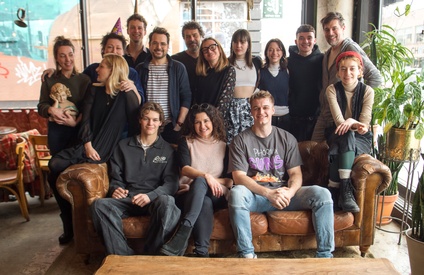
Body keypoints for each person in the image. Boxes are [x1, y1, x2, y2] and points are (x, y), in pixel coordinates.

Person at [228, 90, 334, 259]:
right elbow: (238, 177)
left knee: (322, 194)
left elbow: (295, 174)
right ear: (251, 112)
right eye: (256, 108)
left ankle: (325, 256)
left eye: (265, 107)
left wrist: (290, 192)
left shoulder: (287, 138)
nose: (261, 112)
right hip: (257, 196)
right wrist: (268, 193)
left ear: (273, 110)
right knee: (236, 193)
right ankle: (247, 255)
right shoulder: (240, 140)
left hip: (284, 195)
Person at [48, 54, 141, 245]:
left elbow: (135, 124)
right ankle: (67, 220)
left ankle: (105, 228)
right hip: (88, 145)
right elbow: (86, 120)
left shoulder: (126, 95)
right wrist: (87, 144)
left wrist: (135, 91)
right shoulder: (94, 90)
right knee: (54, 165)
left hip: (110, 149)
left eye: (102, 67)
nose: (97, 70)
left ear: (113, 70)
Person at [91, 102, 180, 255]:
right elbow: (116, 176)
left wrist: (150, 196)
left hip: (153, 200)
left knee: (168, 202)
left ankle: (150, 253)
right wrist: (115, 189)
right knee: (99, 205)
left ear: (160, 123)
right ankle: (123, 256)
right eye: (146, 119)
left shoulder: (168, 150)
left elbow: (171, 184)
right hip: (128, 199)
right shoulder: (123, 146)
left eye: (154, 120)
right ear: (140, 120)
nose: (150, 123)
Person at [37, 36, 91, 245]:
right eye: (62, 56)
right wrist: (49, 109)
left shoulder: (84, 80)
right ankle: (67, 224)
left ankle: (82, 225)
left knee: (77, 179)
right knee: (56, 177)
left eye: (70, 54)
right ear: (56, 59)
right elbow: (41, 105)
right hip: (57, 135)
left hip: (78, 135)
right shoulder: (49, 80)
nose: (67, 59)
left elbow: (88, 110)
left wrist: (76, 123)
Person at [160, 103, 232, 257]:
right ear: (192, 125)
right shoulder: (186, 142)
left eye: (206, 121)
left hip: (216, 193)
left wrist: (210, 180)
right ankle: (201, 253)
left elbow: (229, 181)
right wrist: (206, 177)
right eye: (197, 122)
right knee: (202, 193)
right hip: (189, 194)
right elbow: (184, 169)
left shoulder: (224, 146)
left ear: (213, 121)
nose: (202, 126)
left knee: (201, 183)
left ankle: (183, 232)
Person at [311, 12, 382, 142]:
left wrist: (358, 103)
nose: (330, 33)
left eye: (334, 28)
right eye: (327, 30)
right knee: (313, 154)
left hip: (343, 119)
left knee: (338, 157)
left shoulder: (350, 48)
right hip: (325, 114)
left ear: (343, 28)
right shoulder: (327, 54)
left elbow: (375, 77)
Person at [325, 51, 374, 213]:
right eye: (343, 69)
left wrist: (353, 122)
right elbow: (339, 122)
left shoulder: (368, 91)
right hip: (337, 133)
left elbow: (364, 125)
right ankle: (345, 191)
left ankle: (335, 188)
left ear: (360, 71)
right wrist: (352, 123)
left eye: (352, 69)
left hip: (361, 138)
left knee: (346, 138)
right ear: (338, 72)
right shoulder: (332, 90)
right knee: (345, 133)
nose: (348, 73)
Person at [136, 27, 191, 145]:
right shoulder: (140, 69)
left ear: (167, 46)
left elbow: (186, 96)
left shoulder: (178, 68)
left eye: (163, 44)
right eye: (155, 43)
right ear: (149, 45)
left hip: (171, 126)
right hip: (148, 125)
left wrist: (179, 123)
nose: (159, 47)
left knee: (172, 160)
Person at [287, 24, 323, 141]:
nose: (305, 41)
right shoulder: (288, 62)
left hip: (316, 119)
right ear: (296, 41)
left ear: (315, 40)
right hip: (293, 119)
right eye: (301, 38)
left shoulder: (322, 60)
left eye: (309, 38)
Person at [227, 29, 262, 143]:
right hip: (231, 108)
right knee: (232, 143)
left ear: (248, 44)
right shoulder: (226, 63)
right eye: (235, 42)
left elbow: (261, 82)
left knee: (251, 141)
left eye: (242, 42)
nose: (239, 45)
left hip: (250, 106)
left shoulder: (256, 62)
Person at [193, 38, 235, 124]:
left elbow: (225, 100)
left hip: (217, 121)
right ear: (202, 55)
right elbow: (196, 100)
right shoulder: (200, 73)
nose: (209, 51)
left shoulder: (229, 71)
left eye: (212, 47)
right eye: (205, 50)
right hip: (200, 121)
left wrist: (211, 120)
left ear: (219, 49)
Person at [258, 38, 290, 131]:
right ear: (266, 53)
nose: (274, 53)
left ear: (283, 52)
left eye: (278, 49)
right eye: (270, 50)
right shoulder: (261, 72)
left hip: (285, 116)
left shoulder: (287, 71)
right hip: (266, 117)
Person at [172, 21, 205, 94]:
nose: (192, 39)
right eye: (188, 36)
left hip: (206, 104)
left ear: (201, 36)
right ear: (184, 39)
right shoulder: (175, 60)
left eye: (195, 35)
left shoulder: (208, 59)